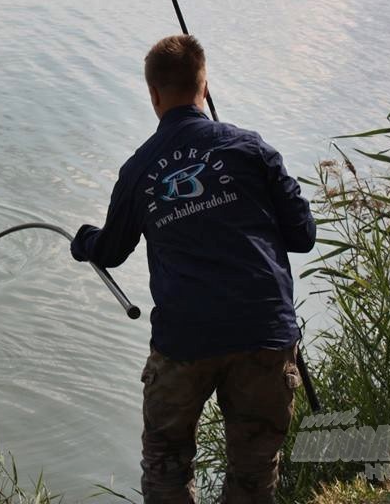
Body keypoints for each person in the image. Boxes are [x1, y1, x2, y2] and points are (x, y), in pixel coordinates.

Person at [70, 35, 316, 504]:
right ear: (204, 86)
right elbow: (303, 236)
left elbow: (112, 250)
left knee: (166, 457)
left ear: (153, 96)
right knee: (254, 465)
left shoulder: (139, 169)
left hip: (185, 339)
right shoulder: (251, 149)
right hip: (264, 328)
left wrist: (83, 243)